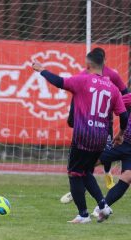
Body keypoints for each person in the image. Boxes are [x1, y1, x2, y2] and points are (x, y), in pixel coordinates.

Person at [32, 50, 128, 223]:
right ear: (103, 64)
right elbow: (124, 115)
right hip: (101, 138)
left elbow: (59, 82)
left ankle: (83, 215)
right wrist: (120, 133)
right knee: (85, 171)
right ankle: (103, 205)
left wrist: (42, 70)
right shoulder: (113, 88)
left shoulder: (83, 80)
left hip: (83, 136)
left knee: (74, 173)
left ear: (88, 65)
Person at [60, 47, 129, 204]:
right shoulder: (85, 74)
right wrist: (72, 118)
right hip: (89, 123)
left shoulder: (113, 75)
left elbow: (125, 94)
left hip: (106, 123)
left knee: (101, 155)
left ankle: (101, 176)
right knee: (90, 160)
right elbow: (75, 95)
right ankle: (82, 185)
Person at [90, 93, 131, 222]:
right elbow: (113, 103)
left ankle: (101, 207)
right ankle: (77, 187)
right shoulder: (129, 98)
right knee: (91, 162)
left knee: (127, 177)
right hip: (122, 142)